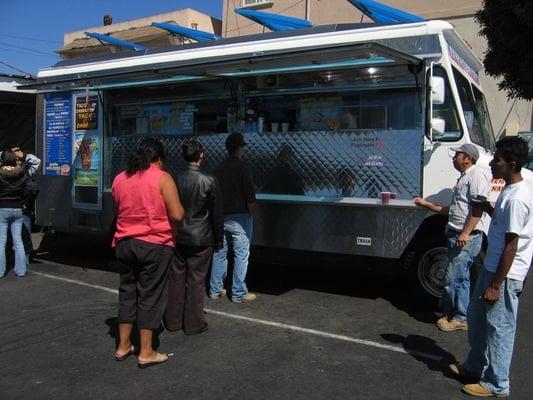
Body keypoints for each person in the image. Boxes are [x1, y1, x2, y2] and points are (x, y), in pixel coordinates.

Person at [451, 137, 533, 397]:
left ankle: (497, 383)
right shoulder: (509, 189)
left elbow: (512, 245)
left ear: (511, 164)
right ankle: (475, 366)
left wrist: (496, 284)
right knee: (477, 318)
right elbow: (503, 223)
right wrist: (486, 207)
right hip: (492, 266)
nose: (492, 164)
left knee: (499, 327)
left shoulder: (519, 198)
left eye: (497, 160)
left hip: (505, 274)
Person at [111, 138, 184, 368]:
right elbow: (178, 214)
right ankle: (146, 351)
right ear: (159, 158)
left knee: (128, 293)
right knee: (150, 295)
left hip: (124, 243)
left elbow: (119, 208)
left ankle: (123, 346)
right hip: (154, 244)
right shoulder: (162, 178)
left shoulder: (120, 178)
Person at [414, 143, 491, 331]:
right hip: (456, 234)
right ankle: (461, 316)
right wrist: (427, 205)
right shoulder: (464, 177)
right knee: (462, 278)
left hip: (467, 237)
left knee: (451, 278)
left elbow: (478, 207)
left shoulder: (476, 175)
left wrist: (465, 232)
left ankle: (454, 315)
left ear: (468, 158)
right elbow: (453, 210)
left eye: (458, 154)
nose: (454, 157)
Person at [164, 140, 223, 334]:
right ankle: (194, 323)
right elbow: (216, 214)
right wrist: (218, 240)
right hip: (201, 237)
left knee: (176, 279)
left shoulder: (174, 178)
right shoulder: (209, 180)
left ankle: (173, 321)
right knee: (196, 281)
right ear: (201, 156)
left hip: (178, 236)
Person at [209, 132, 257, 303]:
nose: (244, 149)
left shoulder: (219, 168)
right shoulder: (243, 167)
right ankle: (238, 293)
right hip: (240, 219)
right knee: (241, 254)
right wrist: (252, 213)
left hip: (221, 217)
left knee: (219, 253)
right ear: (239, 147)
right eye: (243, 146)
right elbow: (250, 194)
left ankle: (215, 290)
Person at [0, 150, 30, 278]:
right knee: (18, 241)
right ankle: (21, 270)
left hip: (2, 208)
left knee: (1, 242)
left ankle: (1, 271)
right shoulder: (21, 173)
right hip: (18, 209)